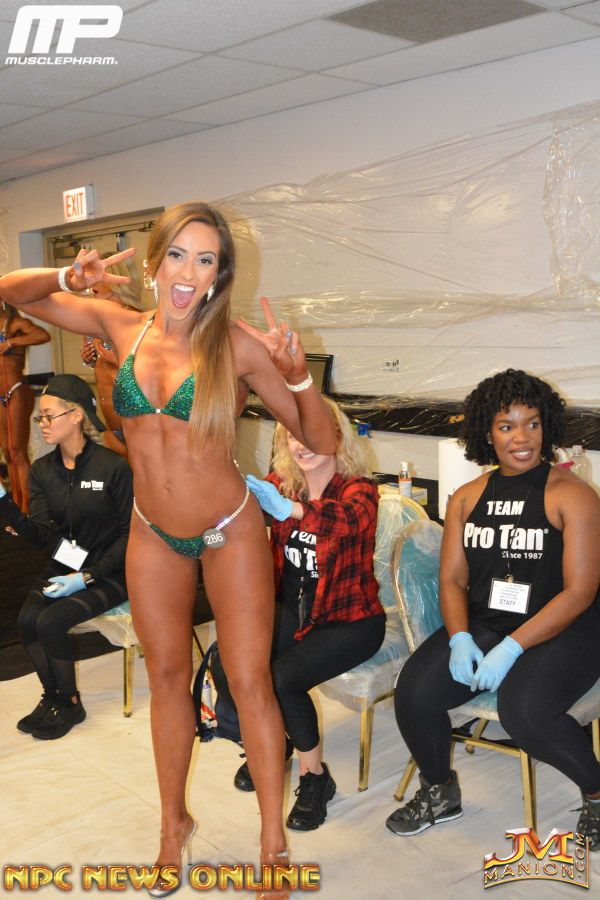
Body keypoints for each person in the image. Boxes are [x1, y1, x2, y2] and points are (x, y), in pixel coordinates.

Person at [0, 202, 337, 899]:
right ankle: (171, 826)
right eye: (178, 255)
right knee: (165, 681)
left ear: (219, 275)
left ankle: (271, 841)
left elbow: (321, 441)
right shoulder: (119, 325)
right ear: (155, 264)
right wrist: (67, 275)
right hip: (153, 531)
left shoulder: (237, 346)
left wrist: (299, 376)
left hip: (229, 531)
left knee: (250, 682)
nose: (189, 273)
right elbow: (12, 292)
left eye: (206, 260)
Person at [386, 369, 600, 850]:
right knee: (414, 692)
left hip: (568, 626)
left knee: (524, 712)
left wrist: (511, 648)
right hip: (490, 621)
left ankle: (597, 792)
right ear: (487, 432)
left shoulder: (571, 495)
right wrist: (460, 637)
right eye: (507, 426)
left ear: (547, 427)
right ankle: (439, 790)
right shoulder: (467, 498)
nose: (521, 438)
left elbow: (580, 592)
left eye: (532, 424)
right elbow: (452, 579)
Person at [231, 399, 385, 831]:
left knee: (284, 679)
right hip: (294, 611)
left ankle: (315, 778)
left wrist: (291, 511)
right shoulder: (282, 485)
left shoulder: (360, 490)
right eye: (292, 434)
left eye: (312, 433)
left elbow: (346, 519)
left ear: (336, 435)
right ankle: (275, 741)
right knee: (236, 663)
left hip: (351, 620)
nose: (302, 444)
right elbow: (235, 507)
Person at [0, 374, 132, 739]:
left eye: (48, 415)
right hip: (68, 563)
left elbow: (130, 535)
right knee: (28, 619)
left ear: (76, 416)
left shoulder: (113, 467)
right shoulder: (43, 471)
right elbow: (43, 535)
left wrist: (88, 576)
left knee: (50, 622)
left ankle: (71, 703)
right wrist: (5, 504)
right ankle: (53, 696)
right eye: (39, 417)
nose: (41, 423)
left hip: (114, 570)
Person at [80, 254, 144, 457]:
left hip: (139, 427)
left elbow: (155, 372)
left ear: (116, 280)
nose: (92, 283)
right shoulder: (94, 323)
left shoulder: (136, 320)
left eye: (98, 276)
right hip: (111, 429)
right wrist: (90, 360)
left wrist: (117, 362)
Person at [0, 302, 50, 510]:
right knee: (8, 453)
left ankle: (28, 509)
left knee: (18, 451)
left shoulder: (16, 324)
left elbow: (43, 335)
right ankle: (16, 503)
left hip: (16, 391)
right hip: (1, 397)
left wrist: (11, 342)